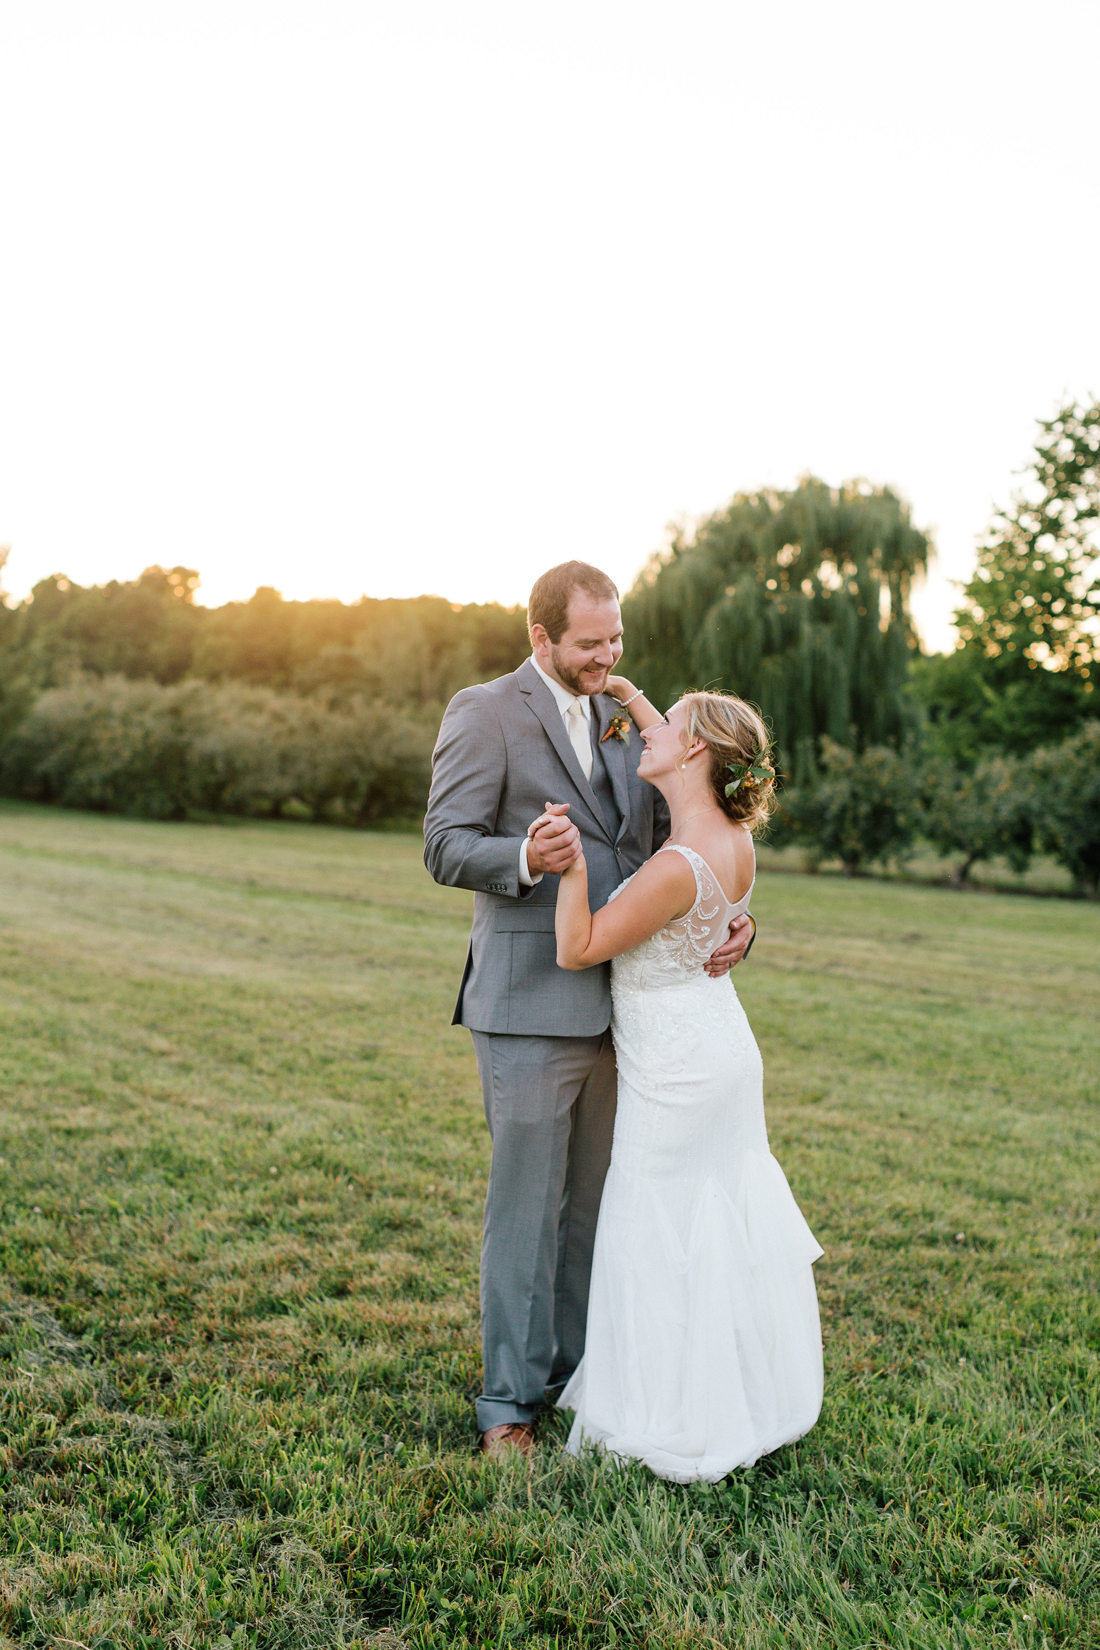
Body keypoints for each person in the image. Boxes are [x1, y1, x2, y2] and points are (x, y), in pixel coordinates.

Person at [423, 562, 755, 1458]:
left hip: (630, 1008)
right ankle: (507, 1408)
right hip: (529, 1002)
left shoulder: (618, 712)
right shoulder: (484, 711)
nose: (607, 657)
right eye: (588, 644)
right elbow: (444, 845)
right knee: (526, 1211)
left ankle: (579, 1380)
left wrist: (735, 919)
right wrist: (526, 855)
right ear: (541, 638)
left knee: (595, 1210)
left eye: (616, 639)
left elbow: (675, 842)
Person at [551, 685, 824, 1482]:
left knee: (657, 1227)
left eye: (662, 723)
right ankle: (739, 1391)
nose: (646, 731)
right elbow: (715, 909)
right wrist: (625, 690)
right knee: (716, 1222)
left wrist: (568, 862)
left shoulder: (675, 864)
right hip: (720, 1049)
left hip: (678, 1070)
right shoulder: (732, 838)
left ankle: (667, 1409)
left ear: (695, 750)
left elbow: (581, 946)